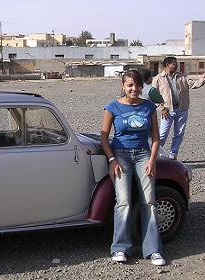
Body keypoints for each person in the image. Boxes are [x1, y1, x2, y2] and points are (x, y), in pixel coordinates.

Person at [100, 69, 165, 266]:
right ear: (123, 86)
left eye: (137, 85)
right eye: (130, 85)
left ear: (141, 86)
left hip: (144, 156)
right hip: (121, 156)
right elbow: (104, 136)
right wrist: (112, 160)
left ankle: (153, 250)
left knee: (149, 202)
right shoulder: (112, 107)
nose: (134, 88)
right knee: (124, 202)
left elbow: (155, 137)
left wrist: (152, 160)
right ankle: (120, 248)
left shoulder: (148, 107)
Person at [152, 57, 205, 160]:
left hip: (182, 109)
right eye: (173, 63)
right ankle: (156, 154)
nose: (176, 65)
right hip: (167, 111)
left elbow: (193, 84)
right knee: (162, 134)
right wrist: (161, 108)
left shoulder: (182, 76)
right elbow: (153, 96)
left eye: (176, 63)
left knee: (179, 133)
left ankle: (173, 154)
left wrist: (202, 79)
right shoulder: (158, 78)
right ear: (167, 65)